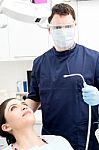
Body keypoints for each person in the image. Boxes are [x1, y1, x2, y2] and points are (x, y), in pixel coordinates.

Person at [26, 3, 99, 150]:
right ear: (49, 29)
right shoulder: (39, 62)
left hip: (84, 137)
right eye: (58, 28)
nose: (63, 31)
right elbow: (34, 97)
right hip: (51, 138)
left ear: (75, 26)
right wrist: (16, 112)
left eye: (68, 26)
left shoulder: (94, 58)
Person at [0, 98, 74, 150]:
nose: (24, 107)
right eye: (13, 108)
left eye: (24, 104)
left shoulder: (59, 142)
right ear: (6, 127)